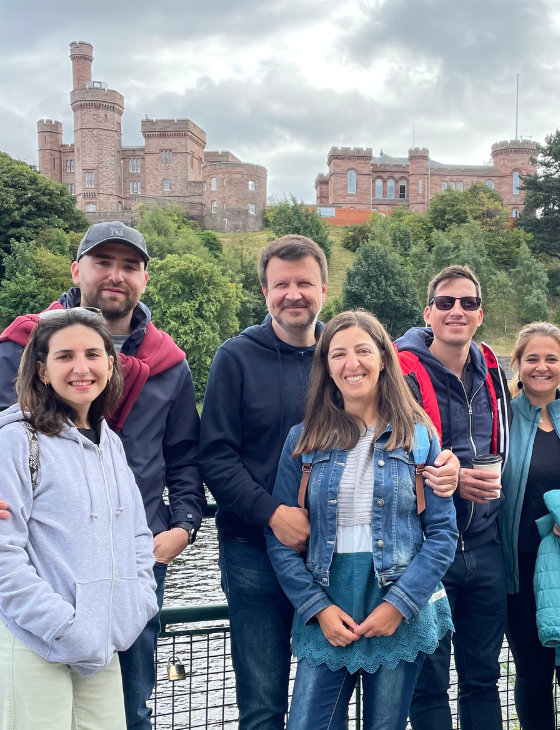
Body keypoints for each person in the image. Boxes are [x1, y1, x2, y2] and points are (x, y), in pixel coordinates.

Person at [199, 235, 459, 730]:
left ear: (323, 288)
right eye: (282, 283)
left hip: (384, 583)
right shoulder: (242, 364)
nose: (293, 293)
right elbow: (214, 456)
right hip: (275, 558)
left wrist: (449, 468)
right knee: (270, 707)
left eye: (304, 283)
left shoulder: (412, 432)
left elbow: (440, 526)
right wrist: (276, 518)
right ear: (264, 290)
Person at [0, 221, 205, 730]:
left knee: (130, 703)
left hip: (129, 569)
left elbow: (184, 457)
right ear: (77, 270)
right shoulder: (20, 346)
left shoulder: (168, 365)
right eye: (103, 262)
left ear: (144, 279)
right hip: (42, 569)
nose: (116, 275)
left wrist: (182, 526)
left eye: (129, 266)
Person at [265, 310, 458, 730]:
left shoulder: (419, 435)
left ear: (384, 359)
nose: (352, 363)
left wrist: (399, 606)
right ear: (326, 367)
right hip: (327, 603)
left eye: (363, 351)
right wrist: (315, 607)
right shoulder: (302, 441)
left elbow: (443, 535)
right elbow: (281, 537)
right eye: (338, 354)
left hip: (398, 604)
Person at [0, 308, 158, 730]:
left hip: (100, 647)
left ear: (110, 363)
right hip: (33, 641)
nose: (81, 367)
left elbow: (138, 537)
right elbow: (3, 554)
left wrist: (136, 606)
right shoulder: (17, 441)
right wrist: (61, 625)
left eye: (92, 354)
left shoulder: (113, 445)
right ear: (43, 370)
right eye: (64, 356)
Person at [395, 265, 511, 730]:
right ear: (429, 312)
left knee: (483, 679)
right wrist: (453, 478)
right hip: (426, 551)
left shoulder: (492, 369)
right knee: (429, 684)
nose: (456, 310)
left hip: (485, 548)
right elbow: (386, 457)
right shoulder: (402, 371)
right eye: (446, 302)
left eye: (467, 303)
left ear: (480, 314)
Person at [500, 321, 560, 730]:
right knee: (533, 674)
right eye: (532, 358)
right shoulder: (500, 418)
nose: (541, 366)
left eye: (551, 358)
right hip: (518, 568)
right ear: (517, 365)